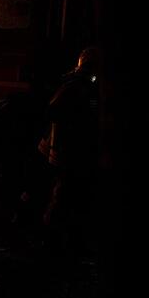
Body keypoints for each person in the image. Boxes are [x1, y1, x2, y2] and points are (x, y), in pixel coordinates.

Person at [41, 46, 100, 253]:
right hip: (68, 152)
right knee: (62, 196)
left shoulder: (79, 86)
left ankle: (58, 239)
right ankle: (52, 241)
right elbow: (54, 112)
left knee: (66, 196)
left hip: (70, 151)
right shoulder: (77, 87)